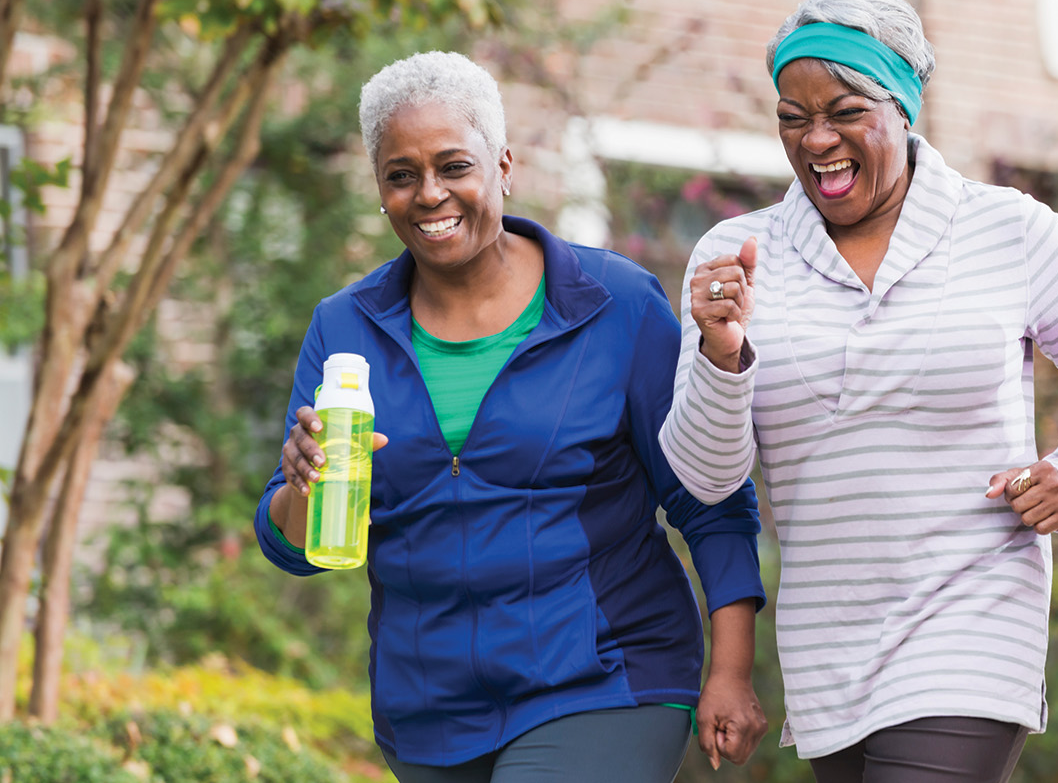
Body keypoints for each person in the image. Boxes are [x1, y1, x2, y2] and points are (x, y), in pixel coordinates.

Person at [658, 0, 1058, 782]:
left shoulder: (1008, 230)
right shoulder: (739, 254)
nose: (817, 140)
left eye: (846, 112)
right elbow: (709, 480)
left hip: (974, 619)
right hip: (830, 646)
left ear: (903, 106)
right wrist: (721, 355)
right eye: (793, 117)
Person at [254, 51, 768, 782]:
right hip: (430, 711)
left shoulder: (612, 304)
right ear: (380, 190)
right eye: (401, 176)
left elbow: (708, 495)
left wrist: (732, 668)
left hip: (606, 681)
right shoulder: (346, 330)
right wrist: (300, 488)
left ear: (503, 166)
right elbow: (297, 547)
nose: (429, 194)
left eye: (453, 166)